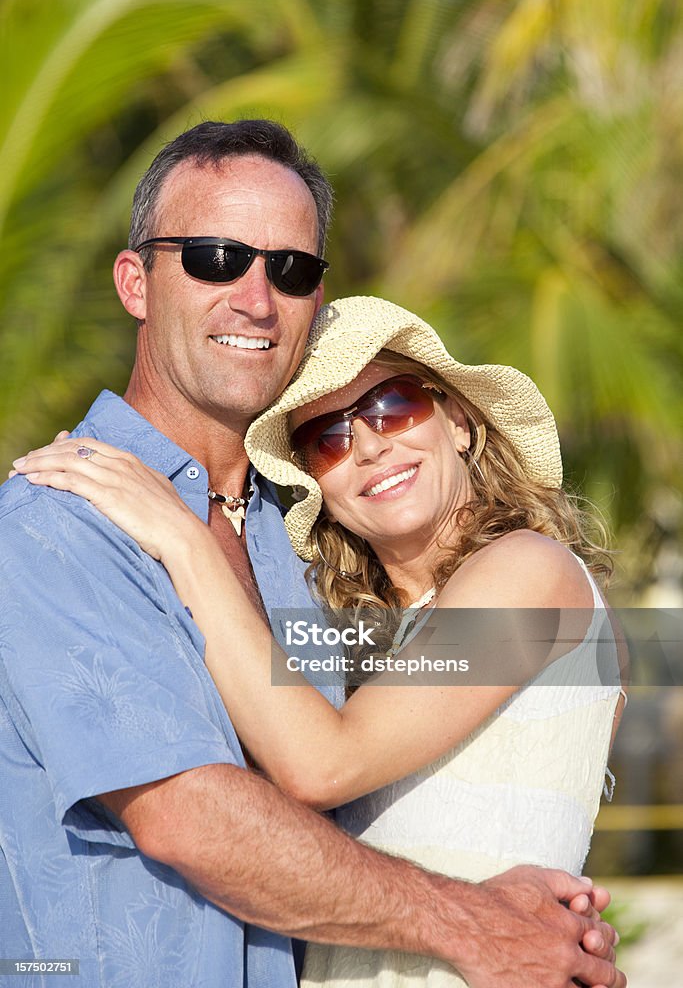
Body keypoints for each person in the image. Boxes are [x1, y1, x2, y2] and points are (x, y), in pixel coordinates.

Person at [1, 120, 625, 988]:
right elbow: (192, 818)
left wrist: (518, 918)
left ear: (459, 417)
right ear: (135, 281)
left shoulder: (290, 551)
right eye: (215, 256)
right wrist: (476, 918)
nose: (256, 297)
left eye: (291, 269)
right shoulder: (58, 522)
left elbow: (326, 775)